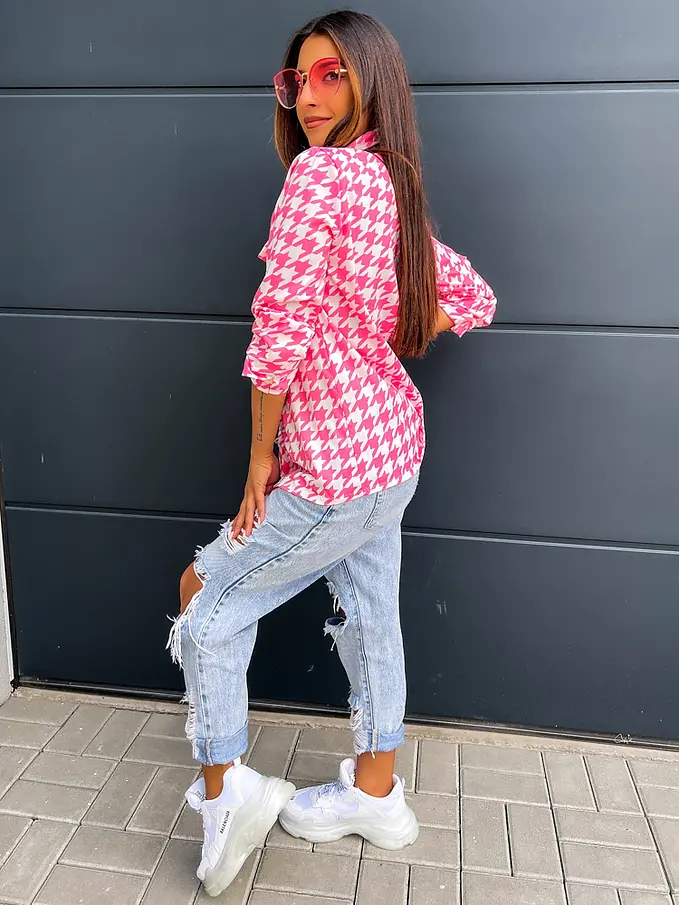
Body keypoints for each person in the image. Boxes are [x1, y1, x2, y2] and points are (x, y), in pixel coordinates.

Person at [166, 9, 497, 898]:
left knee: (205, 598)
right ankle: (377, 795)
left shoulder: (320, 176)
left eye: (331, 76)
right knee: (372, 615)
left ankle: (227, 791)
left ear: (370, 82)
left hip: (335, 470)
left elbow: (277, 329)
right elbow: (472, 295)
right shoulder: (389, 181)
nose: (308, 97)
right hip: (392, 455)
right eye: (298, 79)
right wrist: (385, 326)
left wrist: (258, 460)